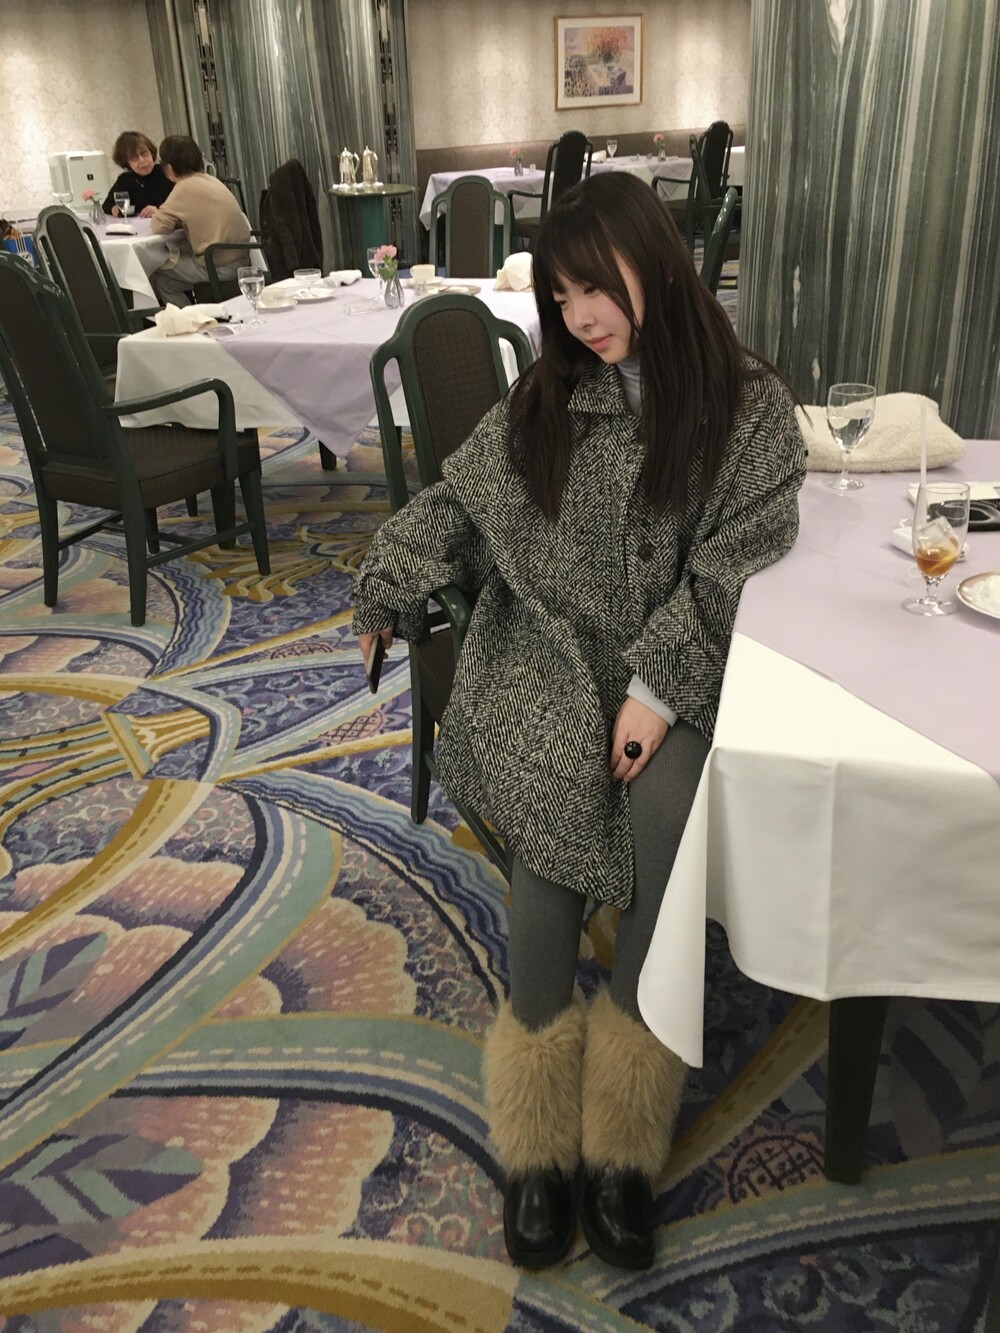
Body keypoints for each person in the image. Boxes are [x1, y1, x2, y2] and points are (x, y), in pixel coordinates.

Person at [352, 173, 806, 1271]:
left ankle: (623, 1136)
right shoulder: (550, 396)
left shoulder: (749, 410)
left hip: (677, 662)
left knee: (665, 811)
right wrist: (388, 578)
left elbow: (734, 569)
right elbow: (460, 503)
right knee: (555, 788)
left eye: (595, 288)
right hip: (547, 646)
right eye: (560, 297)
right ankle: (538, 1137)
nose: (580, 316)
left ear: (656, 265)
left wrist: (657, 690)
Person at [148, 135, 252, 306]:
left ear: (169, 167)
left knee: (161, 276)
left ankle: (190, 320)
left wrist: (157, 212)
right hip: (241, 257)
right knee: (174, 270)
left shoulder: (184, 187)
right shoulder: (211, 179)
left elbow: (159, 226)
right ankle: (195, 315)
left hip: (218, 264)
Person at [101, 132, 172, 218]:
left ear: (151, 153)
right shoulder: (125, 179)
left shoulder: (168, 172)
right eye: (134, 158)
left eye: (144, 153)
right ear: (127, 162)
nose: (142, 160)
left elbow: (182, 205)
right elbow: (107, 204)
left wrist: (160, 211)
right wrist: (113, 208)